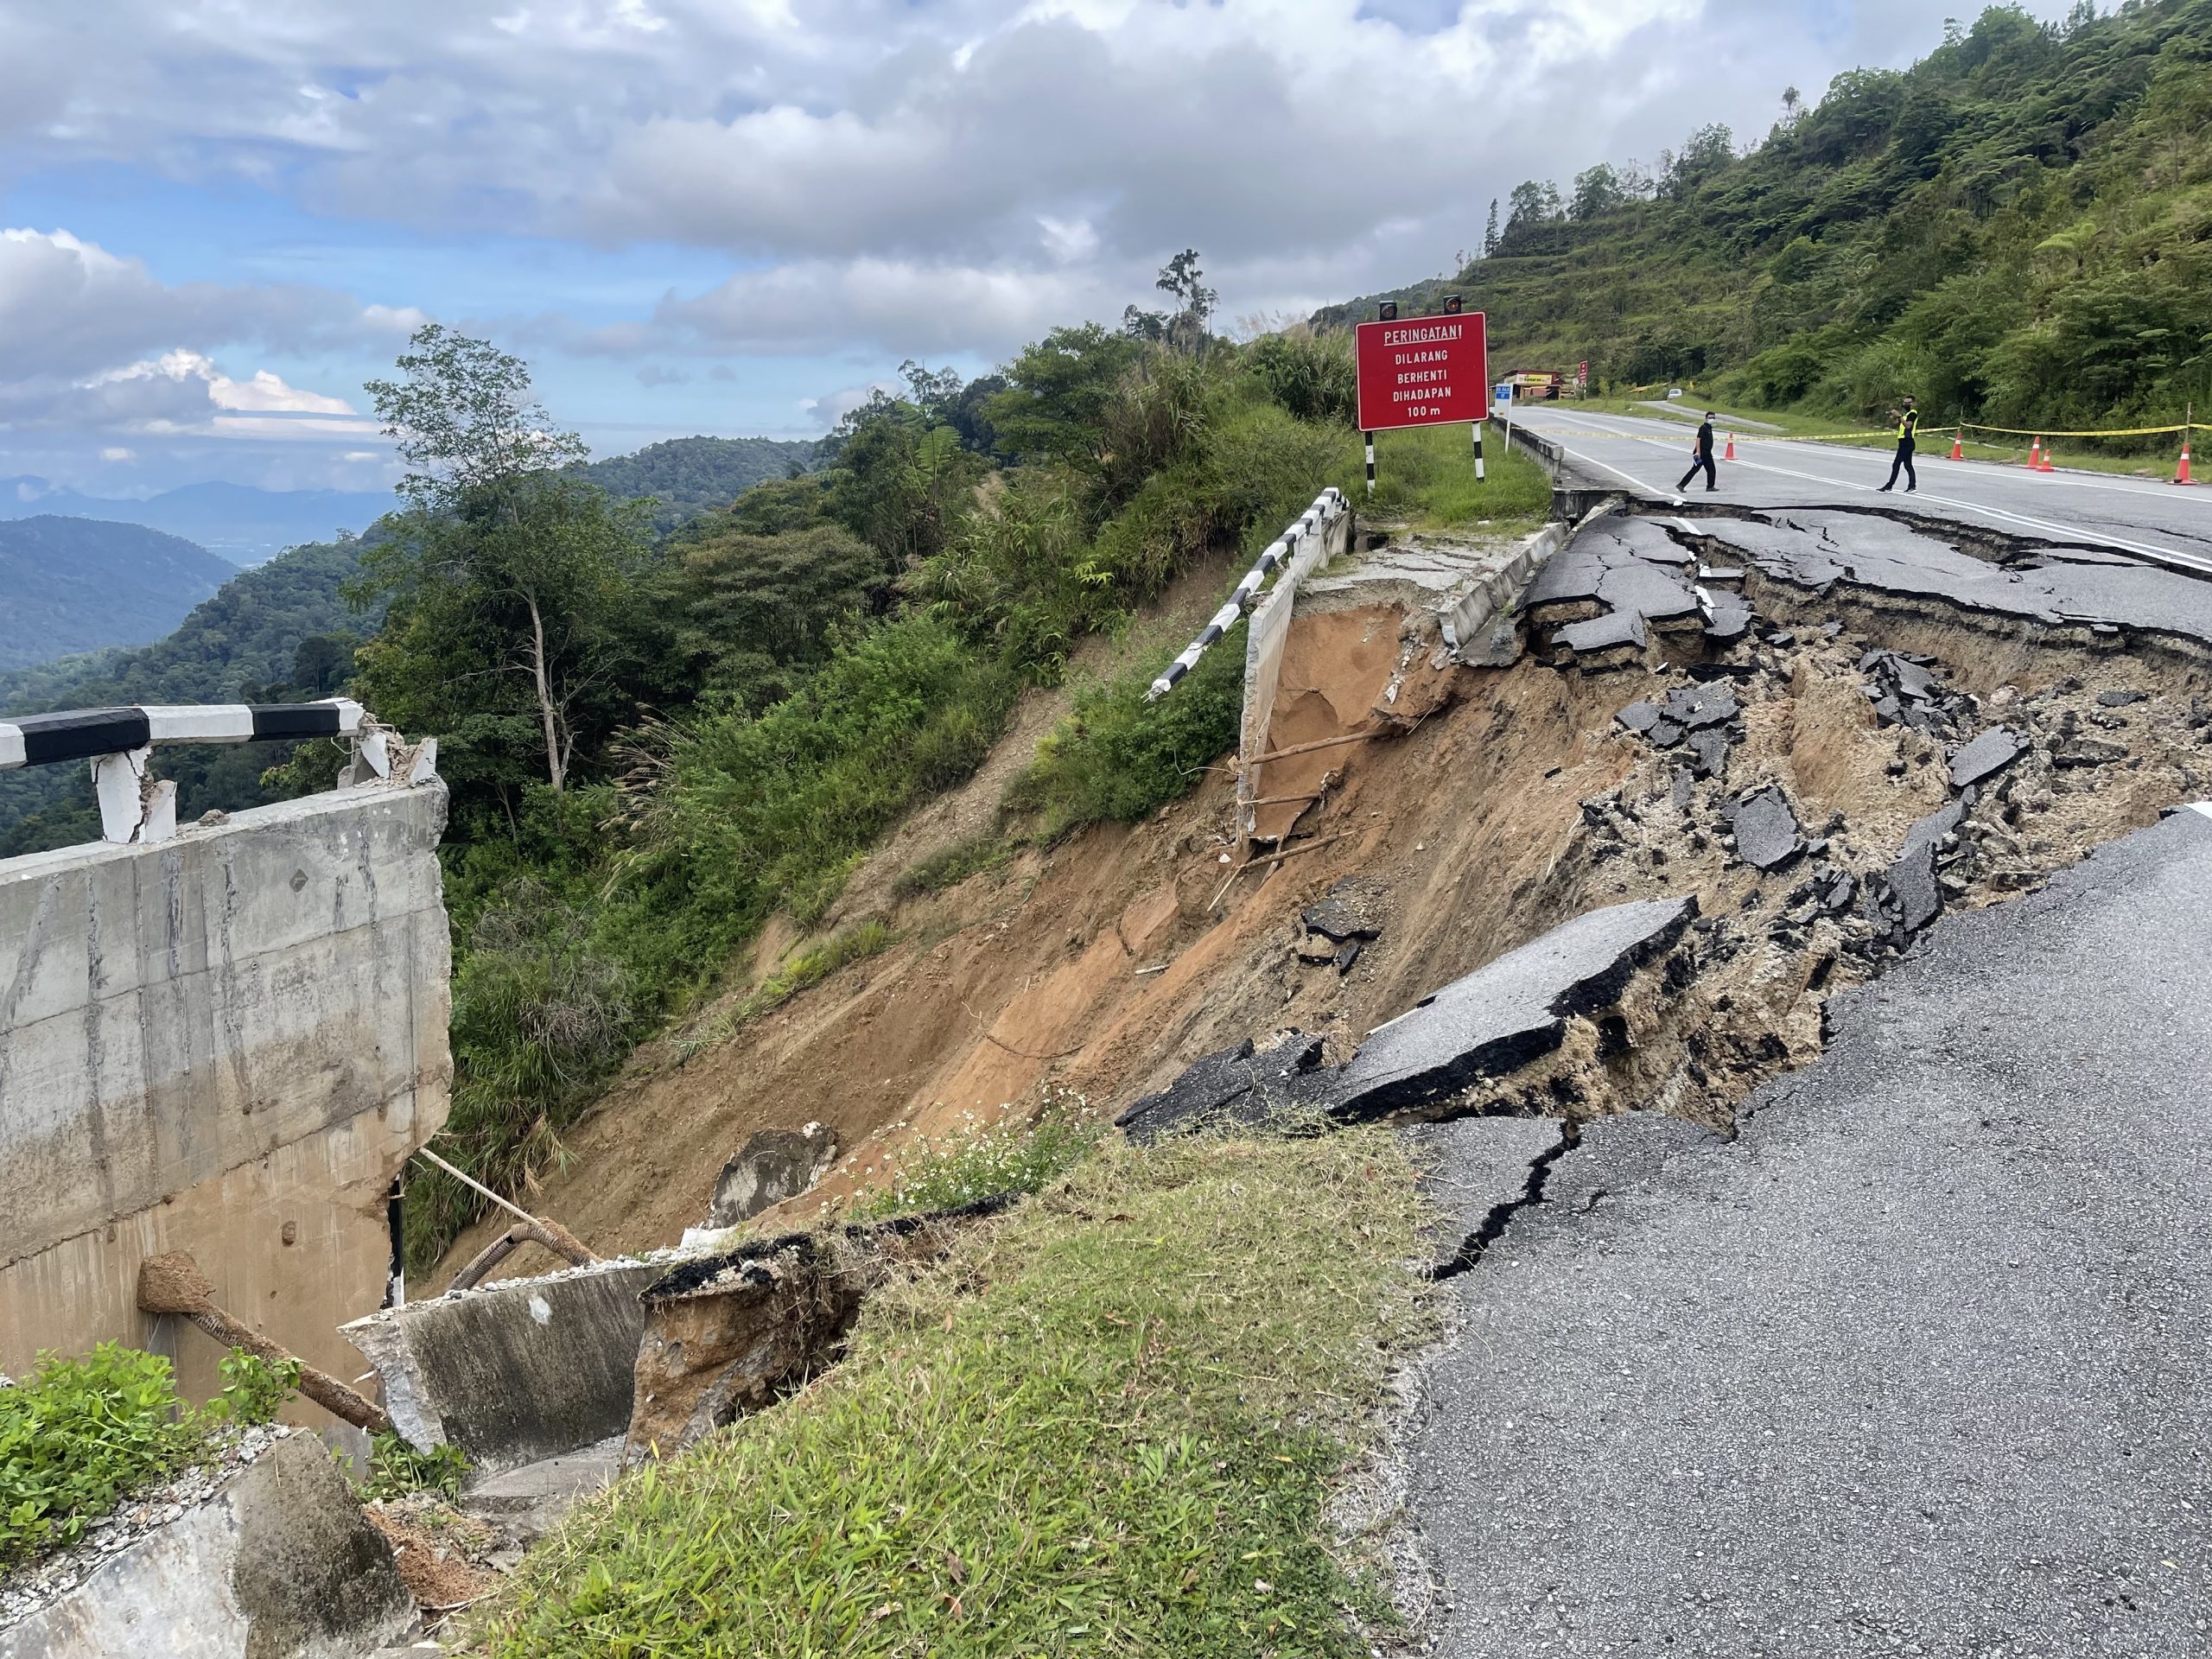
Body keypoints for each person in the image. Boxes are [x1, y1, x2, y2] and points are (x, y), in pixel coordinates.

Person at [1880, 397, 1919, 493]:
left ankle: (1889, 486)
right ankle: (1912, 486)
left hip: (1907, 441)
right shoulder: (1906, 414)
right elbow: (1895, 425)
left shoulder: (1913, 413)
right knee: (1908, 465)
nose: (1906, 404)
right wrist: (1893, 416)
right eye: (1905, 402)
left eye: (1908, 402)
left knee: (1896, 464)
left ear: (1913, 403)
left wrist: (1899, 416)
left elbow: (1908, 425)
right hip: (1904, 441)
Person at [1676, 411, 1719, 493]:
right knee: (1695, 469)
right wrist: (1698, 452)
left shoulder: (1709, 428)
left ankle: (1710, 486)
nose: (1712, 419)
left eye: (1713, 418)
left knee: (1711, 470)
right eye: (1710, 418)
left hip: (1707, 454)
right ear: (1706, 419)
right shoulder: (1703, 428)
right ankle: (1681, 485)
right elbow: (1698, 439)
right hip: (1700, 454)